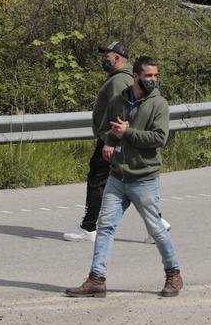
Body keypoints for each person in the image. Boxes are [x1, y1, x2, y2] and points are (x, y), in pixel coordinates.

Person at [66, 55, 182, 298]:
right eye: (148, 76)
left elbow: (159, 138)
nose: (153, 80)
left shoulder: (158, 104)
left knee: (156, 229)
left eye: (155, 75)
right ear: (136, 76)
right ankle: (96, 280)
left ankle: (174, 274)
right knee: (105, 227)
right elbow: (106, 129)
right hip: (117, 177)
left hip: (144, 178)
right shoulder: (119, 101)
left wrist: (128, 133)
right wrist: (110, 139)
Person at [65, 42, 137, 242]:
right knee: (131, 183)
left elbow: (121, 111)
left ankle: (89, 227)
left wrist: (111, 141)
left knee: (97, 181)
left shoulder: (119, 81)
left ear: (118, 58)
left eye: (107, 55)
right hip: (116, 137)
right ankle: (157, 225)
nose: (104, 58)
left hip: (111, 138)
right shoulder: (123, 78)